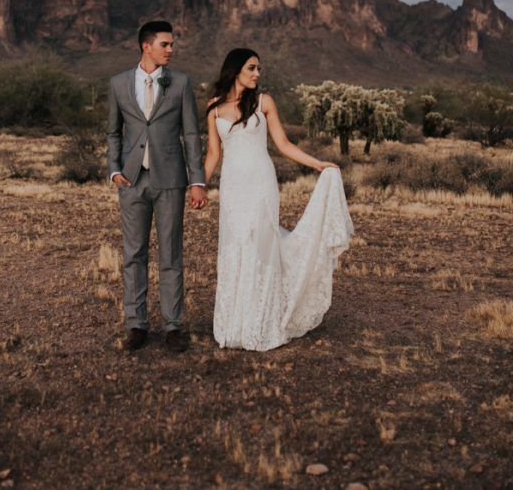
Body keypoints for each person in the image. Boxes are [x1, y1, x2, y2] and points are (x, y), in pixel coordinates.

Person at [205, 48, 353, 351]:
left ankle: (263, 322)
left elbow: (283, 144)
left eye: (258, 69)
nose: (257, 74)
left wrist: (316, 164)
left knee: (261, 247)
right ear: (235, 70)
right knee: (235, 247)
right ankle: (235, 324)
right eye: (251, 68)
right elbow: (213, 155)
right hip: (232, 187)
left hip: (261, 184)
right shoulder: (214, 109)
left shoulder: (264, 102)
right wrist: (195, 185)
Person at [107, 20, 206, 352]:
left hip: (171, 180)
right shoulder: (119, 84)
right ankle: (136, 324)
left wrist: (197, 181)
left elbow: (191, 134)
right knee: (133, 254)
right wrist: (114, 169)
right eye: (165, 44)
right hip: (132, 180)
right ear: (145, 46)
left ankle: (172, 325)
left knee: (171, 253)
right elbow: (113, 132)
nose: (171, 50)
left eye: (172, 44)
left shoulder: (180, 83)